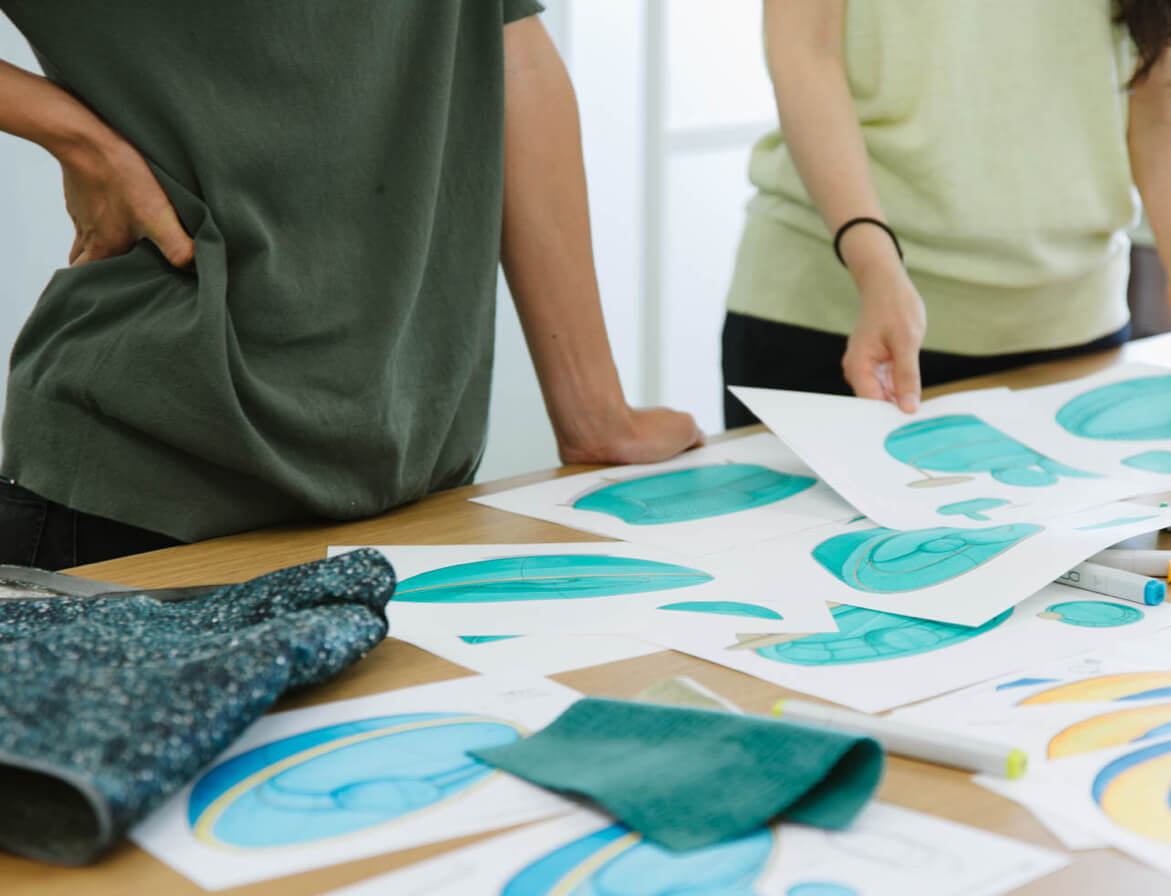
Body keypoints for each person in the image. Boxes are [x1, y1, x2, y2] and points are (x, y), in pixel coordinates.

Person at [0, 1, 700, 570]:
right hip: (146, 488)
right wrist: (77, 140)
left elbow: (502, 37)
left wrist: (592, 406)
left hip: (416, 482)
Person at [722, 0, 1171, 428]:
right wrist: (874, 264)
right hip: (839, 327)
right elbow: (804, 51)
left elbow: (1154, 53)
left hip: (1072, 340)